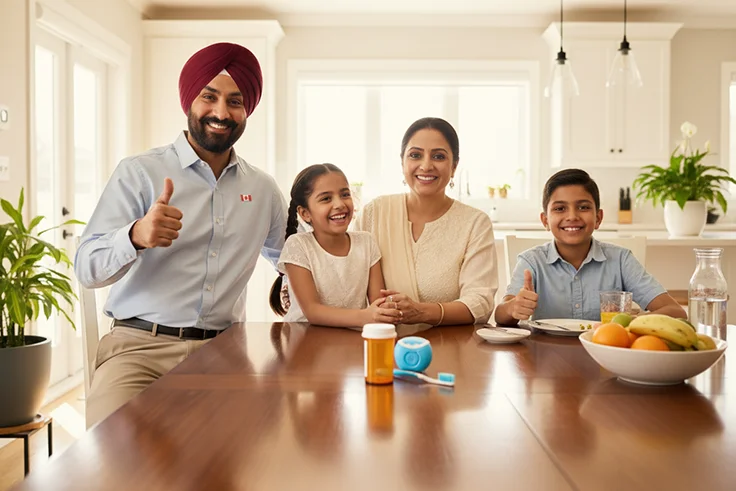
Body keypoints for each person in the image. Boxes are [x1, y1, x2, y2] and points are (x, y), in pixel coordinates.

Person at [74, 42, 287, 428]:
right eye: (210, 97)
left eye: (235, 101)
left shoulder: (264, 190)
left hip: (223, 352)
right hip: (138, 351)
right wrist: (136, 235)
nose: (221, 113)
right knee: (110, 461)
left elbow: (294, 260)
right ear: (189, 100)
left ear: (247, 110)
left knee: (252, 459)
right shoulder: (140, 172)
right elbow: (87, 269)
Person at [354, 117, 498, 334]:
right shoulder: (374, 213)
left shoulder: (475, 223)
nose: (426, 165)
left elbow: (480, 303)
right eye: (415, 155)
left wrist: (421, 312)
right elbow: (345, 281)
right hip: (378, 345)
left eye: (439, 156)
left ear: (454, 166)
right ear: (402, 161)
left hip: (449, 347)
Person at [494, 168, 686, 326]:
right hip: (545, 357)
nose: (572, 216)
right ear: (545, 220)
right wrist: (514, 308)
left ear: (598, 218)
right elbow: (500, 315)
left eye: (583, 207)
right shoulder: (532, 262)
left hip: (607, 354)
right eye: (560, 208)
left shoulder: (621, 260)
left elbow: (676, 312)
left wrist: (633, 321)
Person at [269, 164, 401, 327]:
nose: (339, 204)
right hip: (305, 340)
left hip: (352, 340)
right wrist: (366, 316)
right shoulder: (298, 246)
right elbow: (313, 311)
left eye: (345, 194)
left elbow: (377, 302)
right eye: (326, 198)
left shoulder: (366, 242)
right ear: (305, 213)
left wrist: (388, 309)